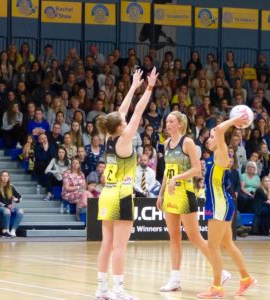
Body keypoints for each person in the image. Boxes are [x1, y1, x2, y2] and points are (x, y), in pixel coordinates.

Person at [94, 69, 157, 300]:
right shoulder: (124, 138)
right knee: (120, 247)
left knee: (106, 245)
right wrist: (149, 87)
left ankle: (101, 289)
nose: (125, 118)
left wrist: (132, 86)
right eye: (123, 121)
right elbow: (138, 110)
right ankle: (118, 290)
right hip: (121, 195)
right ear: (121, 127)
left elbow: (122, 110)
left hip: (107, 193)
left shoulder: (109, 136)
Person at [156, 109, 231, 292]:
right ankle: (175, 279)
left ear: (180, 124)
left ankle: (220, 271)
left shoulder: (187, 142)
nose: (168, 124)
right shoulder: (166, 144)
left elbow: (197, 169)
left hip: (186, 193)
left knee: (194, 236)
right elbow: (167, 171)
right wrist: (161, 192)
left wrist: (177, 178)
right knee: (173, 237)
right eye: (167, 121)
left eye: (172, 121)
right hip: (170, 193)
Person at [198, 113, 256, 298]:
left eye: (212, 137)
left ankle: (216, 287)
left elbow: (218, 129)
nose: (210, 138)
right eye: (208, 137)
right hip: (221, 203)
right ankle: (246, 279)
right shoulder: (212, 158)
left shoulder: (222, 154)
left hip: (220, 205)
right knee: (227, 244)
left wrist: (235, 121)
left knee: (212, 247)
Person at [0, 171, 24, 237]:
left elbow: (20, 196)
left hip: (10, 206)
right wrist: (6, 206)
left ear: (9, 177)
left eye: (6, 176)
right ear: (1, 177)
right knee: (7, 211)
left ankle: (13, 230)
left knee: (21, 211)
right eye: (3, 176)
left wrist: (16, 199)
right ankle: (6, 231)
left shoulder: (11, 186)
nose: (5, 177)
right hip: (0, 207)